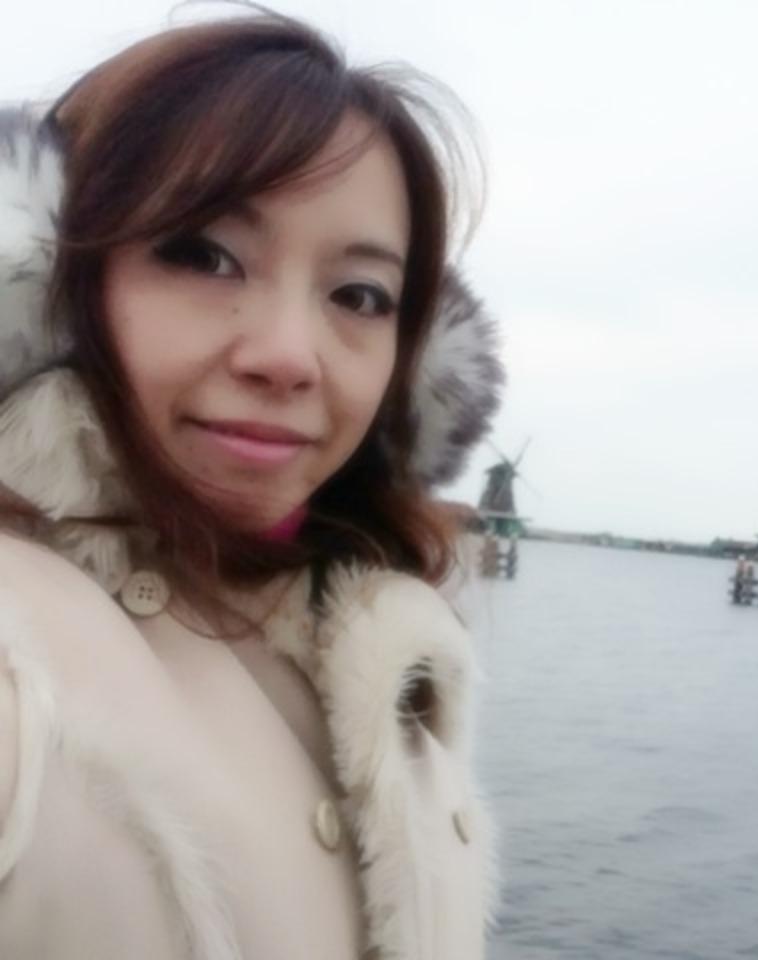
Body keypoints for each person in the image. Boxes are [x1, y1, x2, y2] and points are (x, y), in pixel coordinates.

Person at [0, 10, 502, 959]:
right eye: (202, 254)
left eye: (359, 295)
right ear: (45, 279)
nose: (289, 356)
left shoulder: (378, 649)